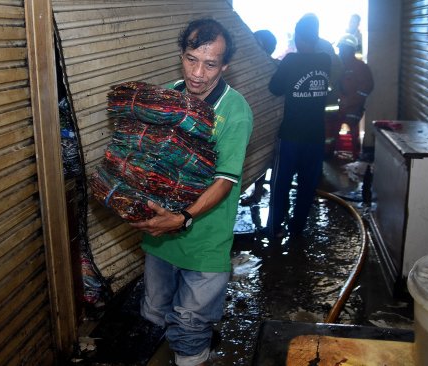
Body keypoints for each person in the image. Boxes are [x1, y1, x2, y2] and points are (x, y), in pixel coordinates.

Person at [130, 17, 253, 366]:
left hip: (204, 243)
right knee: (154, 314)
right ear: (181, 55)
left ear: (224, 65)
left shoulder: (235, 112)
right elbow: (151, 158)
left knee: (189, 325)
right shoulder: (169, 97)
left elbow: (225, 181)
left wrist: (182, 218)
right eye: (190, 59)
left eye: (210, 64)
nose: (198, 73)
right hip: (161, 240)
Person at [264, 13, 331, 240]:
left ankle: (274, 229)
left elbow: (275, 88)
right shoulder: (325, 61)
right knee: (307, 186)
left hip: (291, 135)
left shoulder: (291, 61)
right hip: (316, 136)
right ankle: (297, 228)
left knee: (280, 184)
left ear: (299, 37)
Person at [241, 30, 279, 206]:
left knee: (261, 156)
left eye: (256, 43)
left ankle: (257, 192)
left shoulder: (274, 68)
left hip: (263, 122)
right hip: (245, 120)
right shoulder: (243, 66)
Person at [335, 34, 374, 159]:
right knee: (332, 132)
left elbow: (366, 88)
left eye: (343, 48)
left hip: (354, 108)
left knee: (351, 132)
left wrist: (350, 101)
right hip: (339, 106)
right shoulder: (338, 65)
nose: (340, 51)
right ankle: (333, 153)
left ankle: (354, 156)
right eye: (339, 48)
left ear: (351, 50)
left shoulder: (360, 67)